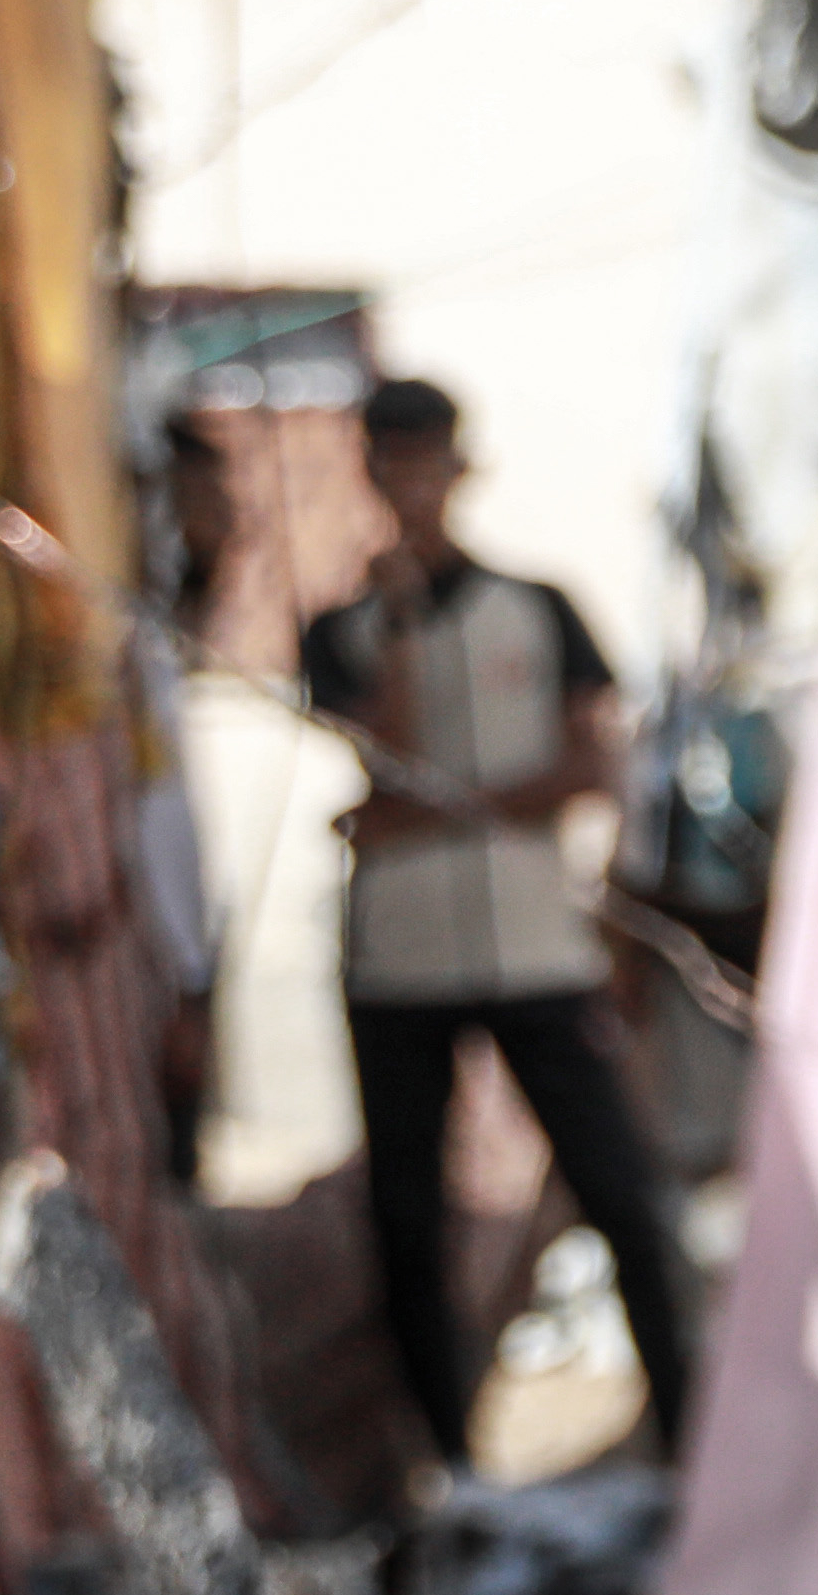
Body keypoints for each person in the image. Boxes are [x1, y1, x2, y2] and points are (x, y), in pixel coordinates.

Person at [299, 375, 699, 1472]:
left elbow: (588, 767)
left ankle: (683, 1442)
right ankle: (449, 1463)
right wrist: (397, 637)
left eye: (427, 463)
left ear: (456, 469)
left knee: (621, 1192)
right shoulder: (339, 628)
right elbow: (390, 748)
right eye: (393, 465)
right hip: (399, 968)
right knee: (410, 1220)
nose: (413, 487)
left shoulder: (541, 607)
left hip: (533, 950)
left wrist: (402, 821)